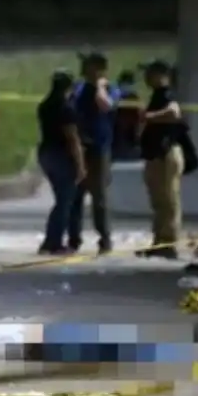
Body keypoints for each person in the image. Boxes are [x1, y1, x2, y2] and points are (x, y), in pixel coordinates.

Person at [69, 52, 122, 255]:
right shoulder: (79, 88)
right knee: (76, 195)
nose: (85, 70)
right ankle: (74, 238)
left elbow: (106, 105)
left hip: (100, 147)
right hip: (80, 146)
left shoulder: (111, 89)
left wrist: (100, 86)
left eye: (89, 66)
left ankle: (105, 237)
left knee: (99, 195)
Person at [36, 70, 88, 255]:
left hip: (46, 152)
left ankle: (54, 239)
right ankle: (53, 241)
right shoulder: (66, 108)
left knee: (61, 198)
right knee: (65, 201)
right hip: (62, 155)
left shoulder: (44, 105)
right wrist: (81, 165)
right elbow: (72, 138)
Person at [138, 60, 185, 259]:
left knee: (169, 200)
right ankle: (159, 242)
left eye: (151, 72)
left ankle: (169, 242)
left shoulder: (167, 93)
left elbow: (174, 112)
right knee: (159, 201)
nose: (147, 77)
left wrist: (149, 117)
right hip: (155, 155)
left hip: (166, 155)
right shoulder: (156, 95)